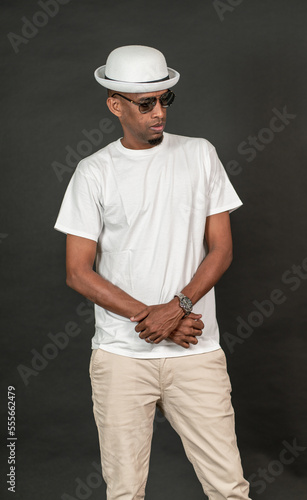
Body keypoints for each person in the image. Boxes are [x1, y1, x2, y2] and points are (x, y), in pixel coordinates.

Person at [54, 45, 251, 500]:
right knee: (124, 492)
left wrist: (177, 308)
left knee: (229, 489)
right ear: (115, 104)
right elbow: (78, 272)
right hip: (121, 358)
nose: (159, 112)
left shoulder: (201, 154)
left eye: (166, 100)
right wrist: (157, 318)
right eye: (147, 104)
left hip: (196, 350)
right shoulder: (93, 173)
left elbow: (221, 250)